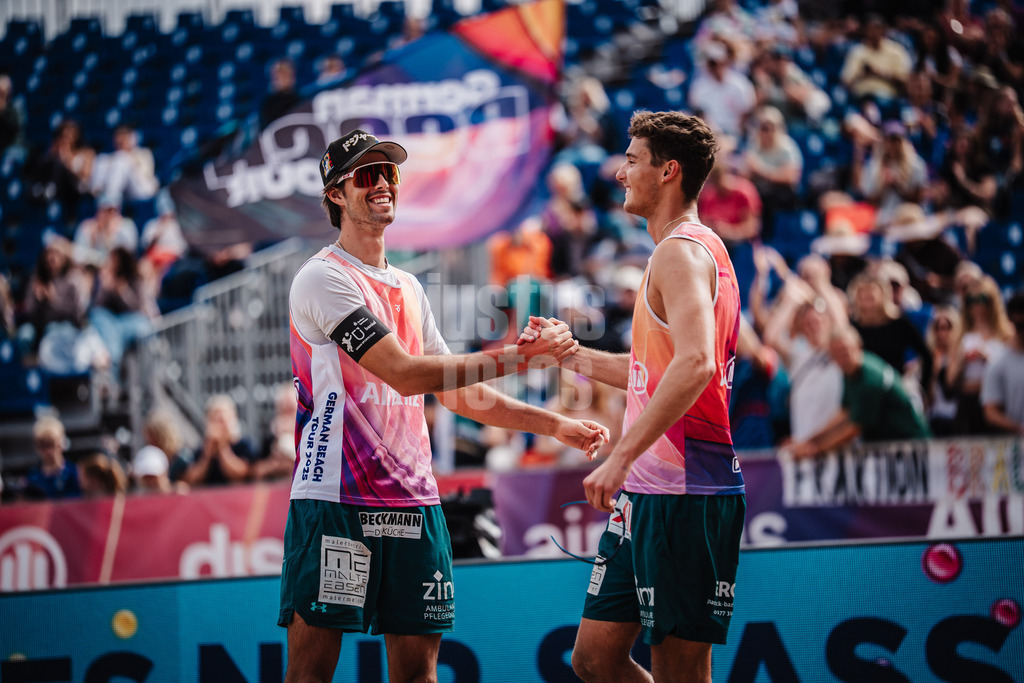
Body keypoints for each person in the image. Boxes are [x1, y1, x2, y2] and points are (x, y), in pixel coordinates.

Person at [279, 129, 609, 682]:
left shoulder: (408, 285)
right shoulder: (322, 277)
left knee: (420, 676)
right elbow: (407, 375)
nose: (382, 184)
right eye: (366, 175)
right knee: (311, 674)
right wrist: (521, 359)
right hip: (337, 499)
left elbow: (458, 392)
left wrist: (555, 425)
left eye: (389, 174)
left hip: (413, 499)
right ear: (336, 194)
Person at [526, 111, 745, 682]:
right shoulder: (687, 250)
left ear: (668, 171)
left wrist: (619, 456)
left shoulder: (681, 251)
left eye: (631, 160)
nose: (620, 173)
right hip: (651, 492)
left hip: (685, 489)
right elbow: (655, 372)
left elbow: (696, 363)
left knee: (679, 670)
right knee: (594, 660)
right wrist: (569, 356)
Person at [787, 325, 931, 458]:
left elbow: (853, 429)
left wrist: (813, 450)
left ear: (858, 346)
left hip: (912, 446)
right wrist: (807, 441)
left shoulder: (870, 378)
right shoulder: (849, 373)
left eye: (845, 350)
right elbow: (843, 413)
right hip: (893, 448)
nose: (842, 357)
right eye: (836, 353)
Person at [178, 394, 257, 488]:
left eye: (222, 420)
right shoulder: (201, 450)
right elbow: (191, 479)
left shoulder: (245, 445)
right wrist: (207, 455)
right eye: (215, 420)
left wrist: (222, 448)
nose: (219, 426)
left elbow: (242, 475)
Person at [980, 292, 1024, 435]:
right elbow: (991, 412)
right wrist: (1018, 427)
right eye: (1020, 326)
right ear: (1011, 321)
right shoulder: (998, 362)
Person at [89, 124, 158, 203]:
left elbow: (146, 174)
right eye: (118, 136)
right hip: (123, 192)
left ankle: (109, 200)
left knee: (121, 159)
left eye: (124, 136)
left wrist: (129, 158)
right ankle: (97, 197)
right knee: (102, 158)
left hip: (143, 189)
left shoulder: (143, 153)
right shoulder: (109, 157)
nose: (120, 140)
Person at [23, 415, 81, 500]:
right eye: (43, 445)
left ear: (61, 444)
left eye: (51, 444)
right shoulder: (32, 479)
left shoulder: (75, 475)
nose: (47, 451)